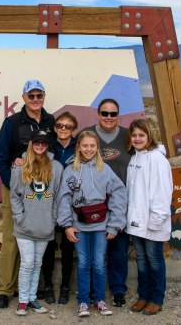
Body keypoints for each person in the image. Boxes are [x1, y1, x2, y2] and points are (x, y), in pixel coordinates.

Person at [0, 79, 56, 309]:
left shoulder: (51, 121)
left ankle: (31, 289)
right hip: (17, 190)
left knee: (39, 236)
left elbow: (55, 153)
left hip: (42, 191)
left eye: (39, 95)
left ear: (44, 97)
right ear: (24, 98)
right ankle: (5, 290)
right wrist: (13, 185)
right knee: (12, 237)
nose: (35, 99)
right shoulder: (12, 123)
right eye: (31, 96)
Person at [56, 130, 127, 317]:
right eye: (85, 145)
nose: (88, 149)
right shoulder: (70, 170)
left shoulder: (105, 169)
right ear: (78, 148)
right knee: (83, 263)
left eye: (92, 146)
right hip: (78, 225)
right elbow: (64, 198)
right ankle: (83, 302)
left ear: (97, 148)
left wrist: (115, 224)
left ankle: (99, 299)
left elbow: (118, 193)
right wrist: (66, 225)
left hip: (101, 225)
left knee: (98, 262)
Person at [82, 98, 132, 307]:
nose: (109, 117)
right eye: (105, 113)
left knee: (118, 249)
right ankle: (92, 291)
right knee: (93, 252)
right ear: (98, 114)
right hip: (93, 204)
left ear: (118, 115)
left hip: (120, 201)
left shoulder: (128, 137)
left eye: (113, 114)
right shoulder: (87, 136)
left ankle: (118, 289)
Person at [10, 130, 63, 316]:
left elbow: (58, 196)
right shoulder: (20, 166)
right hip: (24, 225)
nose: (40, 146)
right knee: (27, 263)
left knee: (37, 263)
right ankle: (23, 301)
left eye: (44, 143)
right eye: (37, 142)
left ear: (48, 145)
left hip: (45, 225)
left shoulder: (56, 167)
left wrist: (53, 219)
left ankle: (32, 299)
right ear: (31, 144)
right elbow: (14, 195)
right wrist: (19, 216)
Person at [126, 119, 173, 316]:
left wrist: (155, 221)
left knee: (154, 261)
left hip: (152, 223)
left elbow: (162, 193)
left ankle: (156, 298)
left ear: (149, 136)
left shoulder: (157, 159)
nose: (137, 139)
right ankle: (143, 296)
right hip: (136, 223)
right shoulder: (135, 158)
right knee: (142, 261)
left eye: (141, 135)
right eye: (134, 135)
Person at [39, 111, 78, 305]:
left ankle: (64, 287)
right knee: (48, 245)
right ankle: (47, 286)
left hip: (71, 203)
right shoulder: (47, 145)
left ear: (74, 129)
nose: (63, 129)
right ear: (54, 128)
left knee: (68, 247)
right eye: (60, 125)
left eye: (68, 126)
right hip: (49, 201)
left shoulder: (78, 147)